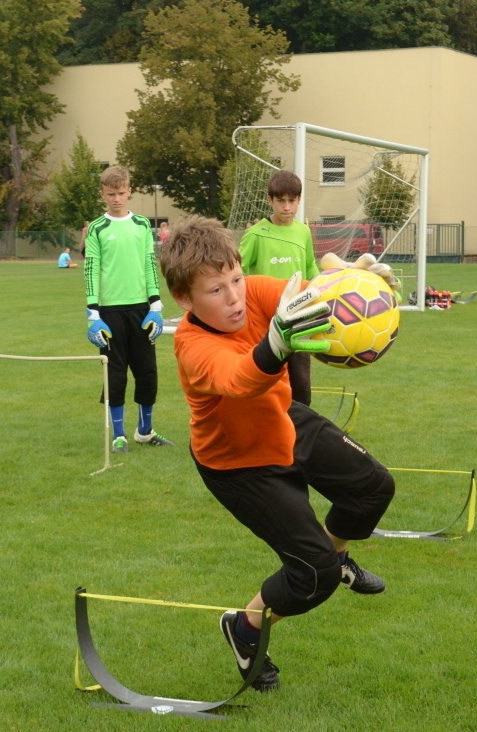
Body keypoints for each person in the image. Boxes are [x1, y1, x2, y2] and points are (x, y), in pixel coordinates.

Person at [158, 216, 394, 692]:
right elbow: (241, 378)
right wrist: (277, 340)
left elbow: (317, 292)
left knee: (373, 488)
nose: (234, 297)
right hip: (240, 464)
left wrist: (356, 282)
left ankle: (339, 553)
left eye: (236, 280)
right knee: (313, 577)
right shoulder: (193, 347)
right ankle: (244, 628)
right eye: (215, 291)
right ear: (184, 299)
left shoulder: (256, 291)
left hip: (284, 420)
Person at [83, 166, 173, 453]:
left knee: (147, 372)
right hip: (109, 312)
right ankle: (118, 435)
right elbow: (91, 269)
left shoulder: (143, 225)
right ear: (103, 195)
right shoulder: (97, 228)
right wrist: (93, 314)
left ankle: (145, 432)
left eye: (121, 193)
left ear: (129, 191)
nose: (117, 199)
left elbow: (149, 263)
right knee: (116, 374)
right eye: (111, 194)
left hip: (141, 310)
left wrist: (156, 306)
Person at [237, 170, 321, 406]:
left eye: (291, 201)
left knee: (301, 383)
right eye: (280, 201)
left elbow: (310, 266)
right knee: (269, 382)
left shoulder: (303, 231)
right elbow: (236, 273)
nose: (286, 207)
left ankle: (299, 435)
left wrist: (323, 287)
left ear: (299, 200)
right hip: (265, 322)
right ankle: (269, 432)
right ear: (269, 201)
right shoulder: (255, 234)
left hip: (299, 317)